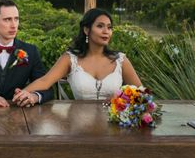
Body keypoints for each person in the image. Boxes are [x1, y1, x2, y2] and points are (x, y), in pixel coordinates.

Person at [12, 8, 141, 106]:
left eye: (109, 27)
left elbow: (142, 94)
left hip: (115, 127)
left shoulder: (120, 60)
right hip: (78, 128)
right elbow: (45, 81)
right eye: (100, 26)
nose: (106, 31)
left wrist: (121, 98)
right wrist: (22, 93)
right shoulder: (70, 59)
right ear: (86, 30)